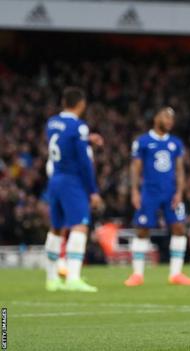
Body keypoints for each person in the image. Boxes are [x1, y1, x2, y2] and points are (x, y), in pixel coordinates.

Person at [124, 107, 190, 287]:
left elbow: (180, 170)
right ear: (156, 118)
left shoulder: (175, 143)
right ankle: (137, 274)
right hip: (149, 192)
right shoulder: (143, 141)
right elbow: (136, 168)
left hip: (171, 192)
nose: (170, 121)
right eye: (166, 117)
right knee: (142, 229)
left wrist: (180, 191)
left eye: (172, 118)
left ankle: (176, 273)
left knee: (179, 228)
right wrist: (134, 191)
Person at [44, 87, 102, 292]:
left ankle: (51, 279)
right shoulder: (78, 126)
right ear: (81, 104)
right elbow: (84, 162)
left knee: (56, 228)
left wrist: (86, 139)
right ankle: (73, 278)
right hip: (72, 180)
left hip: (55, 178)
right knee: (80, 226)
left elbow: (63, 141)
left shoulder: (52, 123)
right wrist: (92, 190)